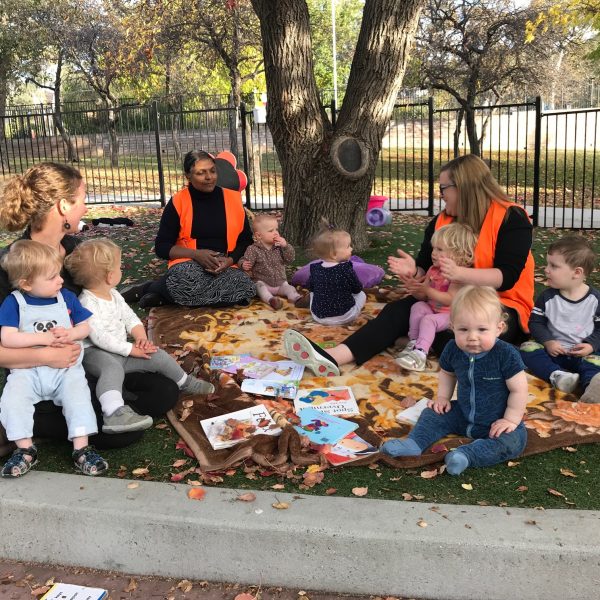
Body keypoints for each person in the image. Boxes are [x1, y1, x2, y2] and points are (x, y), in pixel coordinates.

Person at [282, 154, 535, 376]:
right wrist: (414, 272)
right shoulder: (442, 220)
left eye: (444, 188)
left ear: (464, 188)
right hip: (443, 300)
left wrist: (458, 273)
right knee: (397, 311)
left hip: (500, 305)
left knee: (467, 334)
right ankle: (333, 357)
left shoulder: (511, 217)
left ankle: (509, 357)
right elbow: (426, 266)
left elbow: (507, 276)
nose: (441, 194)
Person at [0, 162, 179, 451]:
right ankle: (25, 423)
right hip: (40, 379)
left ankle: (62, 421)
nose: (85, 208)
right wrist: (48, 356)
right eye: (82, 199)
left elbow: (103, 302)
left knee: (164, 391)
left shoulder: (75, 253)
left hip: (91, 364)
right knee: (122, 433)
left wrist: (131, 337)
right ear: (62, 206)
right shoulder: (12, 265)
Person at [64, 238, 216, 434]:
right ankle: (114, 413)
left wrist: (141, 338)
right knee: (111, 369)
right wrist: (130, 349)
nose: (121, 271)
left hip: (121, 351)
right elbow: (98, 337)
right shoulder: (87, 302)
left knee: (157, 355)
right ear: (110, 276)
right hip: (95, 353)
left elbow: (130, 317)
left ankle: (186, 382)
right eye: (119, 267)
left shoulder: (114, 294)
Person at [380, 286, 529, 475]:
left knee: (514, 441)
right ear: (452, 327)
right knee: (432, 413)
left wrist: (511, 419)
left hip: (497, 419)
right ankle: (414, 443)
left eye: (482, 329)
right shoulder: (453, 349)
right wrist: (442, 397)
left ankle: (465, 456)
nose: (472, 337)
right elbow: (447, 373)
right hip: (464, 412)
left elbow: (519, 390)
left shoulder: (506, 354)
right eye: (464, 329)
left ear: (499, 328)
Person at [0, 241, 107, 477]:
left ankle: (81, 448)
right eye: (51, 277)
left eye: (58, 274)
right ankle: (24, 448)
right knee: (13, 400)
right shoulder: (14, 302)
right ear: (26, 283)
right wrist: (44, 338)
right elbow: (8, 338)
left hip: (65, 369)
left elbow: (84, 327)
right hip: (28, 370)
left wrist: (70, 333)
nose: (60, 280)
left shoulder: (65, 297)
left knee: (78, 396)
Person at [125, 150, 256, 308]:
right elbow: (162, 247)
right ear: (188, 176)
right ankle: (151, 289)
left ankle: (163, 295)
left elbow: (245, 240)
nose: (209, 177)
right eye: (201, 173)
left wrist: (229, 261)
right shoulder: (178, 201)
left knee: (246, 287)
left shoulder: (232, 199)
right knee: (188, 281)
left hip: (225, 266)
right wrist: (196, 255)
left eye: (213, 171)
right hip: (189, 265)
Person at [520, 236, 600, 403]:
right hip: (554, 353)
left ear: (577, 273)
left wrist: (591, 345)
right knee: (528, 349)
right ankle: (558, 375)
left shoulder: (595, 300)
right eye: (548, 264)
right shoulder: (547, 297)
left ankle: (591, 388)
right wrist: (548, 341)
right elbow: (536, 322)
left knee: (595, 361)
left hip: (584, 354)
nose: (547, 270)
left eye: (554, 266)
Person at [396, 223, 477, 371]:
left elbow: (450, 298)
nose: (433, 253)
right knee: (418, 306)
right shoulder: (433, 270)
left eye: (439, 249)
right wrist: (414, 288)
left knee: (429, 320)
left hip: (452, 315)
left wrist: (426, 289)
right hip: (434, 309)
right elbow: (423, 297)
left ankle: (420, 355)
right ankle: (414, 343)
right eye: (433, 248)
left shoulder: (458, 273)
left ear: (457, 253)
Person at [302, 222, 365, 326]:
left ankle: (316, 304)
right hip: (345, 316)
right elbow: (357, 289)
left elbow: (310, 287)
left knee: (313, 293)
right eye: (348, 246)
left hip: (318, 317)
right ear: (334, 254)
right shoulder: (346, 269)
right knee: (361, 294)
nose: (351, 248)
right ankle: (349, 314)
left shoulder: (315, 268)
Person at [239, 213, 304, 310]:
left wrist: (286, 246)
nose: (276, 233)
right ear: (259, 235)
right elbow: (245, 260)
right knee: (260, 288)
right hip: (263, 282)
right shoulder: (253, 249)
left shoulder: (280, 247)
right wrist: (243, 264)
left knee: (290, 288)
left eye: (276, 229)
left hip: (280, 283)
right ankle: (271, 300)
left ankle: (297, 299)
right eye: (271, 231)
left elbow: (290, 259)